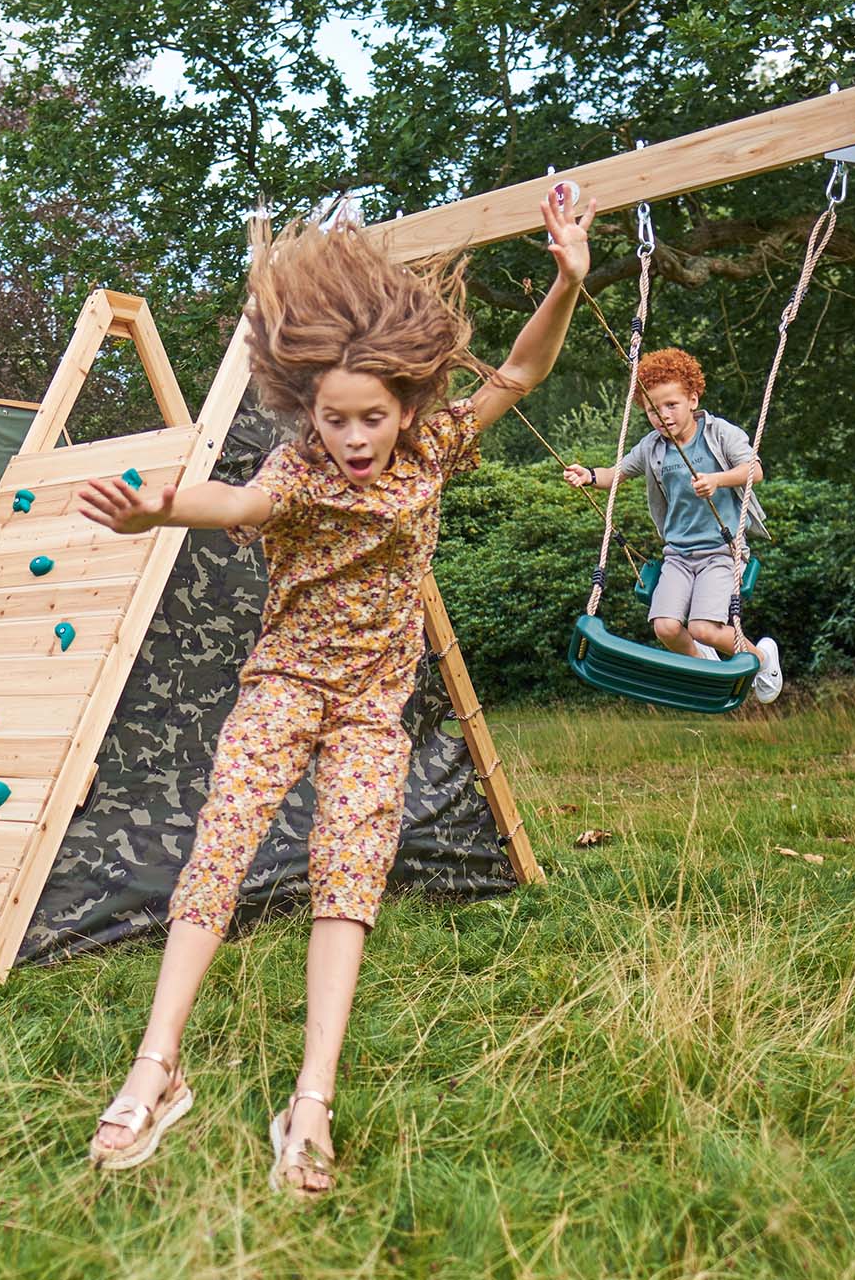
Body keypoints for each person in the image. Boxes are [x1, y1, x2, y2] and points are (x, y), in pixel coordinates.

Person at [76, 187, 596, 1196]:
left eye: (371, 419)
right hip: (285, 686)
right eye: (334, 419)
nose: (354, 438)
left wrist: (568, 278)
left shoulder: (434, 447)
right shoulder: (300, 472)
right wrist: (159, 511)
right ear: (308, 413)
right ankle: (157, 1067)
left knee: (348, 879)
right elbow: (237, 499)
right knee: (221, 846)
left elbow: (524, 369)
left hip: (372, 706)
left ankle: (309, 1099)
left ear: (407, 408)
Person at [563, 346, 782, 701]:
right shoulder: (652, 448)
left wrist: (717, 480)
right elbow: (616, 473)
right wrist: (587, 475)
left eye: (671, 405)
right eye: (652, 410)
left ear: (692, 399)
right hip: (678, 556)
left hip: (721, 552)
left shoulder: (719, 433)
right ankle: (705, 667)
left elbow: (753, 470)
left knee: (703, 627)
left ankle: (760, 658)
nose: (662, 416)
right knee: (665, 627)